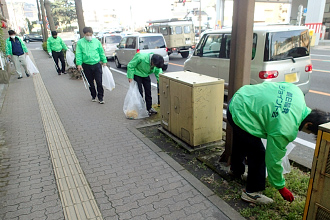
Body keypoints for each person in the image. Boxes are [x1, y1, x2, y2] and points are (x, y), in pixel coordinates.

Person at [227, 82, 330, 205]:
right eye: (310, 132)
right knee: (259, 153)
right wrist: (281, 187)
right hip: (240, 111)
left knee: (243, 141)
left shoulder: (296, 92)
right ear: (309, 125)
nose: (307, 134)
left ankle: (236, 170)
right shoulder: (286, 129)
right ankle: (251, 192)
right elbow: (273, 160)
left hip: (241, 97)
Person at [76, 27, 107, 104]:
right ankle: (93, 95)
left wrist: (104, 61)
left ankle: (101, 97)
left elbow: (101, 52)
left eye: (90, 34)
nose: (89, 36)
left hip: (96, 64)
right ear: (84, 34)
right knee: (90, 82)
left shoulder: (96, 42)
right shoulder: (80, 43)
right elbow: (78, 54)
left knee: (99, 82)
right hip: (86, 65)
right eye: (87, 34)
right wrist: (79, 64)